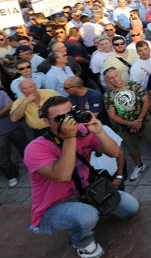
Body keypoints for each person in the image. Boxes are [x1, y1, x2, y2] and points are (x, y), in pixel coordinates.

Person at [24, 96, 139, 258]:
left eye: (71, 114)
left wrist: (99, 132)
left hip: (87, 193)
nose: (68, 121)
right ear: (46, 121)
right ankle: (82, 242)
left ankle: (86, 217)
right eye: (60, 118)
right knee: (86, 216)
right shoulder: (35, 149)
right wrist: (70, 138)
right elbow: (63, 175)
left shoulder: (83, 132)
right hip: (53, 206)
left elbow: (114, 152)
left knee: (131, 208)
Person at [103, 68, 151, 181]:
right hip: (125, 125)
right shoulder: (108, 95)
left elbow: (146, 101)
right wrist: (130, 124)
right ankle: (139, 166)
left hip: (144, 120)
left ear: (120, 74)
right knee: (132, 147)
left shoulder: (133, 85)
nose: (114, 79)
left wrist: (139, 121)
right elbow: (112, 115)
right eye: (110, 78)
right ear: (107, 80)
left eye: (115, 75)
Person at [0, 89, 26, 188]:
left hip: (14, 126)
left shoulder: (2, 93)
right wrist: (5, 109)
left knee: (25, 149)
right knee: (3, 157)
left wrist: (6, 110)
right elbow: (7, 108)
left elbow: (12, 107)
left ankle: (33, 167)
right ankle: (11, 176)